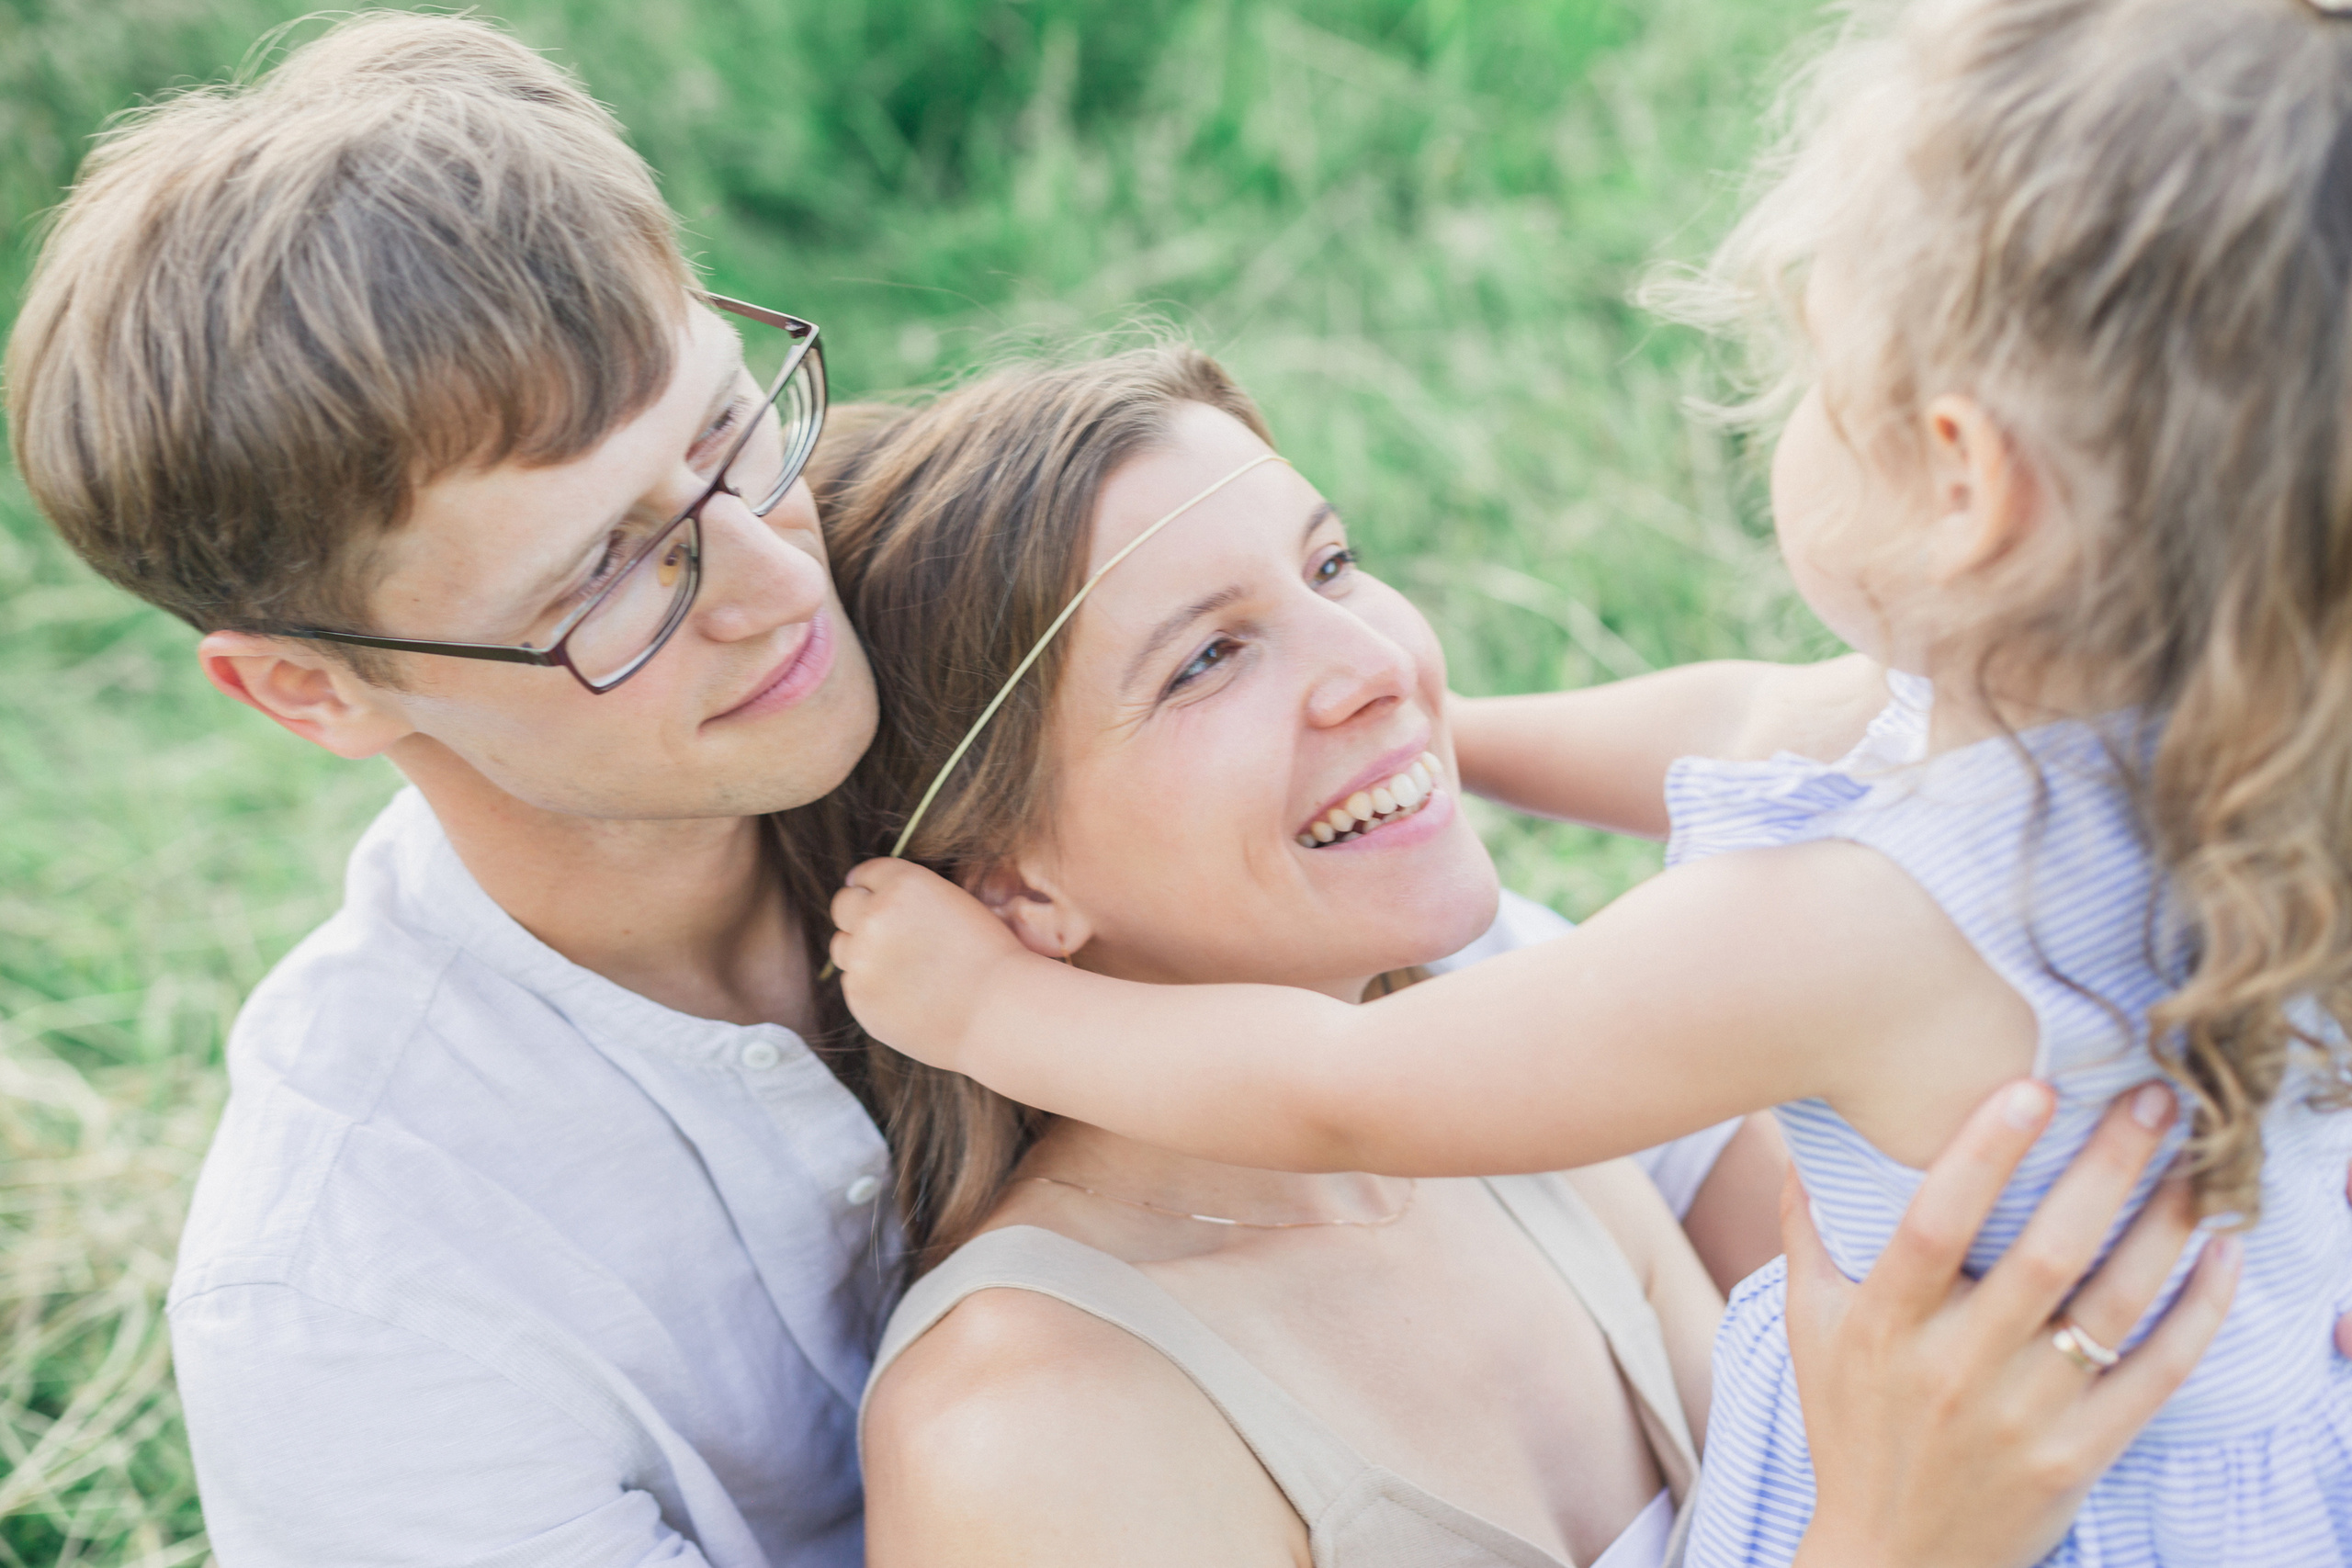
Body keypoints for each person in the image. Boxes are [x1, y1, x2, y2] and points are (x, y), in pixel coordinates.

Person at [0, 9, 2293, 1567]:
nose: (757, 576)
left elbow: (1716, 1183)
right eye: (608, 567)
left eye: (730, 432)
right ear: (305, 688)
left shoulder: (1234, 891)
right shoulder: (378, 1294)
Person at [827, 2, 2352, 1563]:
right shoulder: (1034, 1434)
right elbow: (1737, 719)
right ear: (1013, 880)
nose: (1375, 662)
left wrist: (987, 1011)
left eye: (1337, 564)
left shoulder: (1708, 1012)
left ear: (1964, 480)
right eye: (1210, 658)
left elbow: (1346, 1097)